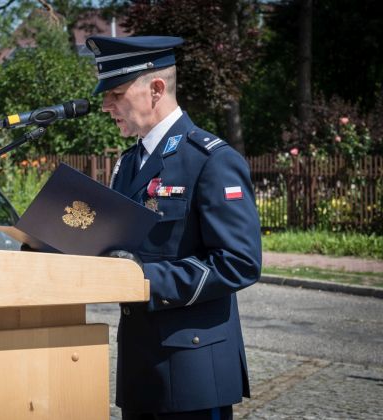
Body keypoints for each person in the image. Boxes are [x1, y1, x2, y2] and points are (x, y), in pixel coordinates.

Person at [86, 35, 262, 419]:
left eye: (116, 93)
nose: (105, 105)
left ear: (157, 89)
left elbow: (239, 262)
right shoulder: (128, 164)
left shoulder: (211, 161)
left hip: (194, 371)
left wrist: (144, 280)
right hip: (141, 369)